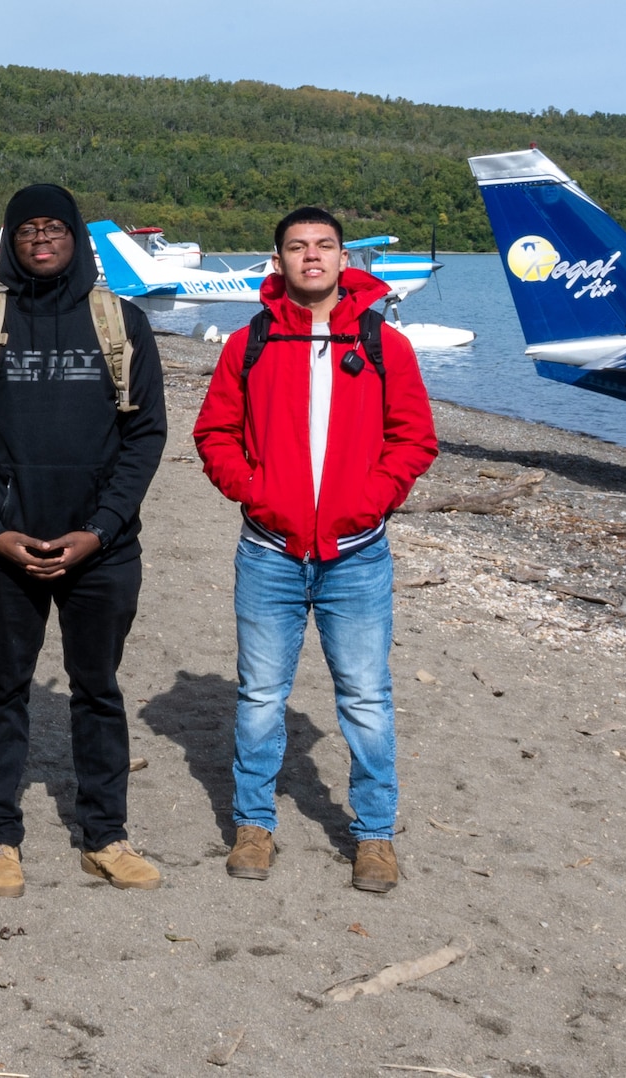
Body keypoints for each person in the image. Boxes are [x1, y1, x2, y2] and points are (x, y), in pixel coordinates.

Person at [191, 206, 438, 893]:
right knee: (262, 696)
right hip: (269, 550)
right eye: (297, 247)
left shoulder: (386, 344)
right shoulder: (250, 344)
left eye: (324, 246)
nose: (311, 257)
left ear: (341, 259)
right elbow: (215, 432)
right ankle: (253, 824)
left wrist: (372, 499)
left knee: (365, 699)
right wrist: (255, 491)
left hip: (357, 554)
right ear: (278, 261)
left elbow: (415, 437)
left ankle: (374, 837)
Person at [0, 184, 168, 898]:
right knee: (3, 688)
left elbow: (145, 435)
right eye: (27, 229)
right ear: (10, 242)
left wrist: (98, 530)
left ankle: (105, 835)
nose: (41, 238)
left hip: (103, 549)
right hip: (8, 548)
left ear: (75, 237)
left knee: (97, 690)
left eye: (54, 227)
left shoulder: (120, 322)